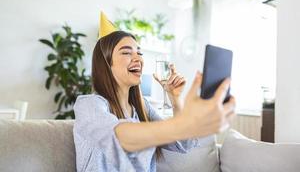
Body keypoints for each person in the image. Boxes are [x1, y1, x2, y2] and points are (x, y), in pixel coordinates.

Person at [73, 15, 235, 172]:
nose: (138, 59)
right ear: (106, 64)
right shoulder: (88, 105)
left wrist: (175, 98)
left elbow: (183, 145)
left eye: (139, 53)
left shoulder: (142, 108)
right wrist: (186, 123)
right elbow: (118, 139)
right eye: (127, 52)